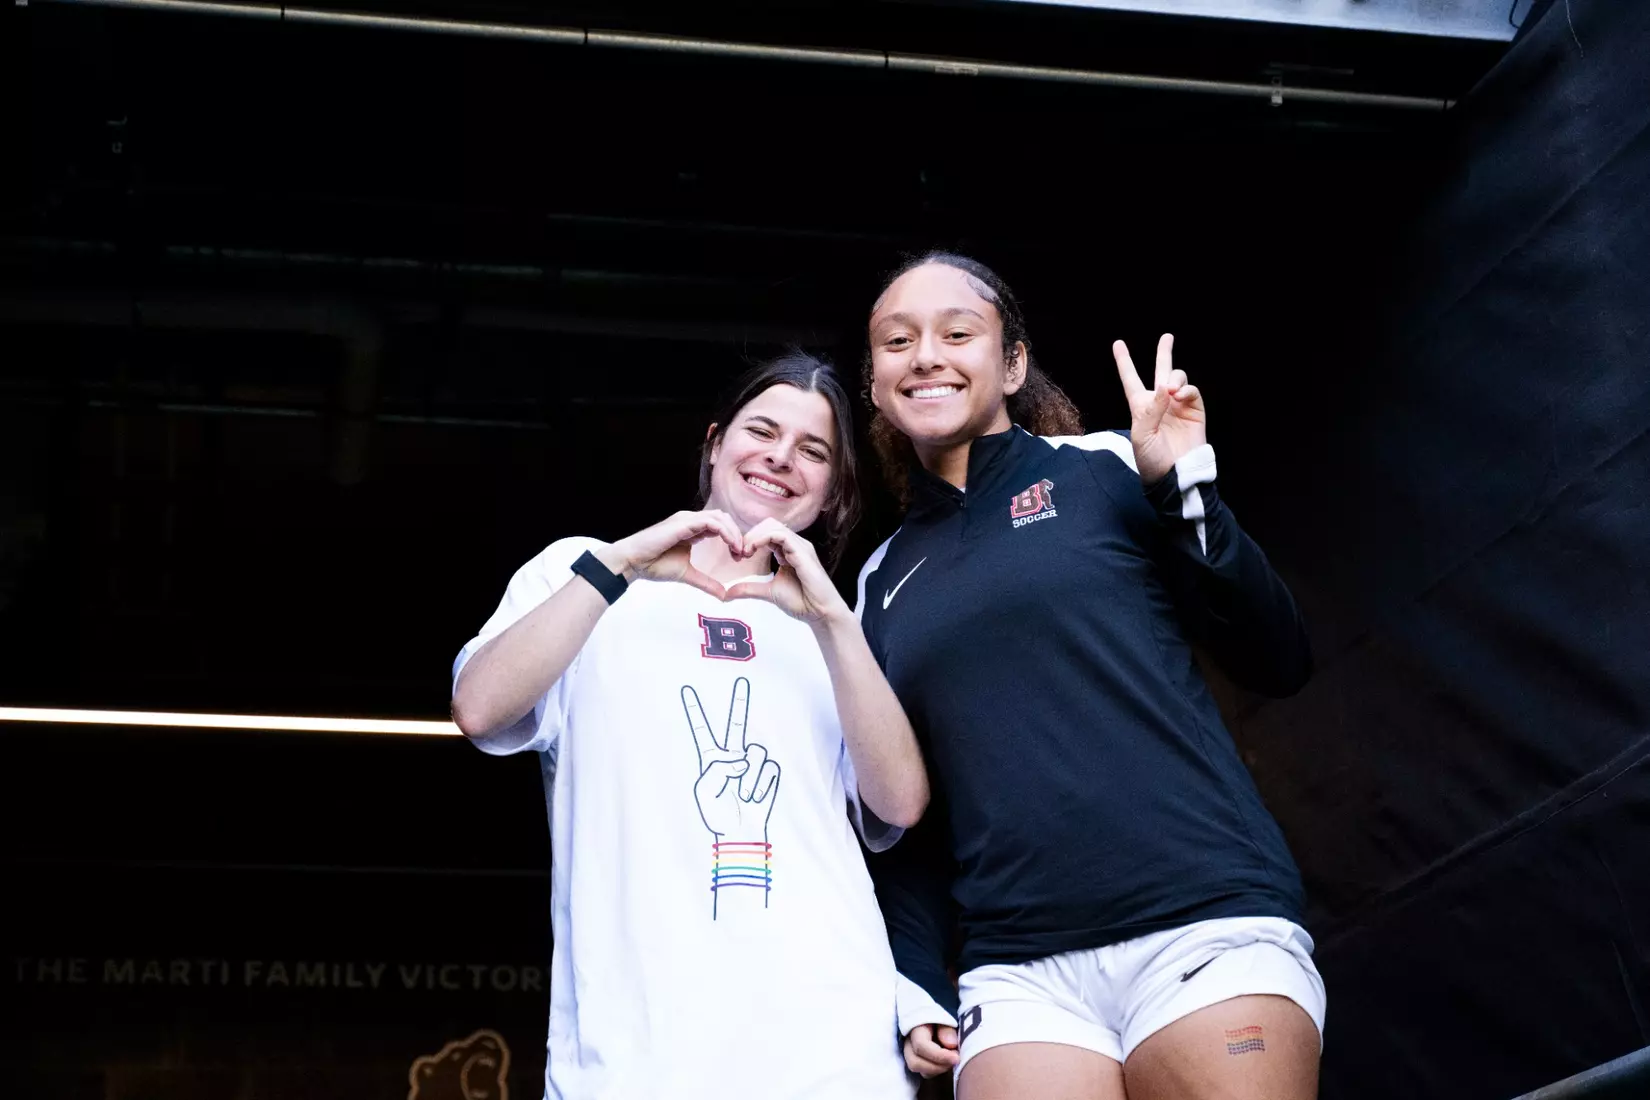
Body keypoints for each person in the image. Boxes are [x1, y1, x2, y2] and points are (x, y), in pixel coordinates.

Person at [854, 253, 1326, 1100]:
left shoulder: (1107, 467)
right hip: (1018, 970)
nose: (925, 354)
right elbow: (907, 821)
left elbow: (1277, 657)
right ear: (877, 380)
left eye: (957, 333)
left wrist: (1185, 486)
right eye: (898, 340)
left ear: (1011, 365)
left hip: (1203, 920)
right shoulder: (879, 584)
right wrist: (917, 978)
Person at [450, 351, 929, 1100]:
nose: (780, 457)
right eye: (761, 431)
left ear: (834, 492)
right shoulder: (584, 571)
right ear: (713, 444)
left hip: (836, 1053)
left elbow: (899, 803)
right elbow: (479, 709)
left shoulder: (837, 631)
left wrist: (832, 619)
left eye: (813, 451)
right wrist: (624, 567)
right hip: (638, 1056)